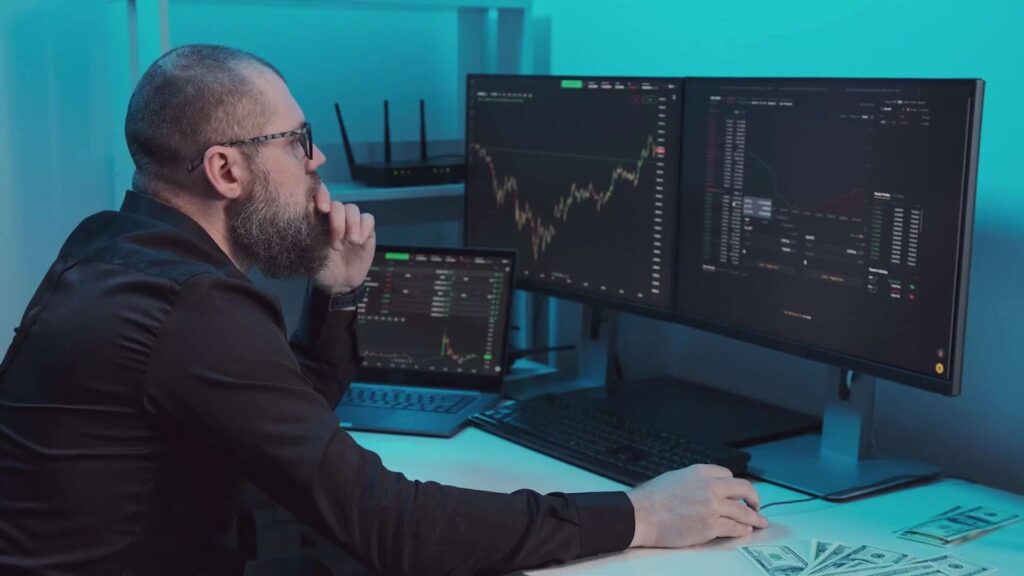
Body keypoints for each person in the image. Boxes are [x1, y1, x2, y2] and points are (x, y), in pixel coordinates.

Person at [0, 45, 767, 575]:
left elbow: (280, 425)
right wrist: (643, 516)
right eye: (297, 141)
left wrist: (334, 294)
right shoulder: (192, 307)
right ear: (226, 169)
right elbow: (390, 528)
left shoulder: (109, 247)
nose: (318, 161)